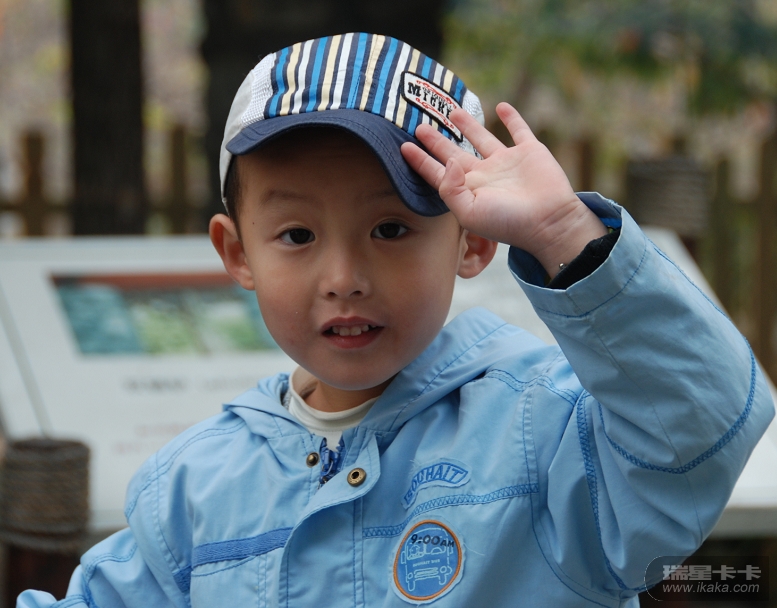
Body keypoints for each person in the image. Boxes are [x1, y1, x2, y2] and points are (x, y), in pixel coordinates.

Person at [19, 33, 774, 608]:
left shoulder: (543, 432)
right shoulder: (191, 491)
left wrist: (564, 235)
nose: (343, 278)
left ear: (471, 242)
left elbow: (699, 423)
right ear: (237, 252)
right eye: (297, 235)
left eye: (390, 229)